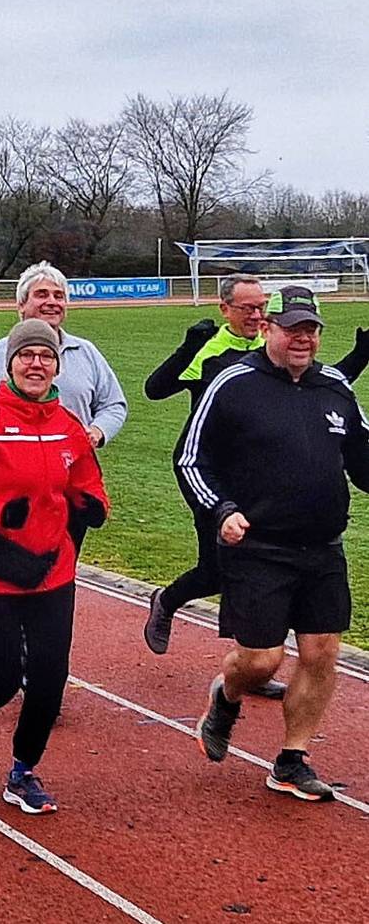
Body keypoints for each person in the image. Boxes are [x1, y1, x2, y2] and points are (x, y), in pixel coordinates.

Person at [181, 287, 369, 802]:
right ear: (269, 329)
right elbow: (191, 459)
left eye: (311, 329)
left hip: (323, 548)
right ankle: (227, 693)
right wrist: (221, 510)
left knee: (321, 651)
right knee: (262, 661)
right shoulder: (233, 384)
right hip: (258, 547)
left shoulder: (335, 387)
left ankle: (292, 759)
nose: (304, 338)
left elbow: (362, 458)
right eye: (293, 328)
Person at [143, 275, 369, 680]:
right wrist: (187, 348)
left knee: (243, 583)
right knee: (217, 571)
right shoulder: (214, 353)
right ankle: (171, 604)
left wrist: (359, 356)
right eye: (246, 308)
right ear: (224, 310)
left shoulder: (280, 350)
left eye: (260, 306)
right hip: (219, 483)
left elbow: (316, 395)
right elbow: (156, 390)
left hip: (271, 485)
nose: (254, 314)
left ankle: (255, 665)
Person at [0, 319, 109, 814]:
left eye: (46, 357)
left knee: (51, 678)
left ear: (57, 366)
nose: (37, 364)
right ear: (11, 363)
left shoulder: (68, 426)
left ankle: (22, 772)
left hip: (53, 568)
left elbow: (88, 483)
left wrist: (94, 505)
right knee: (3, 673)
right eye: (27, 356)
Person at [0, 261, 124, 555]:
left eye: (59, 295)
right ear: (21, 305)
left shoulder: (86, 353)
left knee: (61, 572)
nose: (52, 302)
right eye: (42, 294)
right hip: (10, 492)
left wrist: (96, 432)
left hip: (68, 487)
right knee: (9, 573)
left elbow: (114, 404)